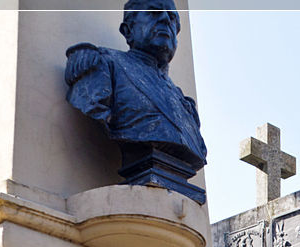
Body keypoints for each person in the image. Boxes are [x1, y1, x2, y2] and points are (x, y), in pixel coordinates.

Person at [65, 0, 207, 191]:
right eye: (153, 12)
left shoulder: (186, 106)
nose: (165, 19)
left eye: (172, 17)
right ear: (128, 30)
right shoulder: (103, 64)